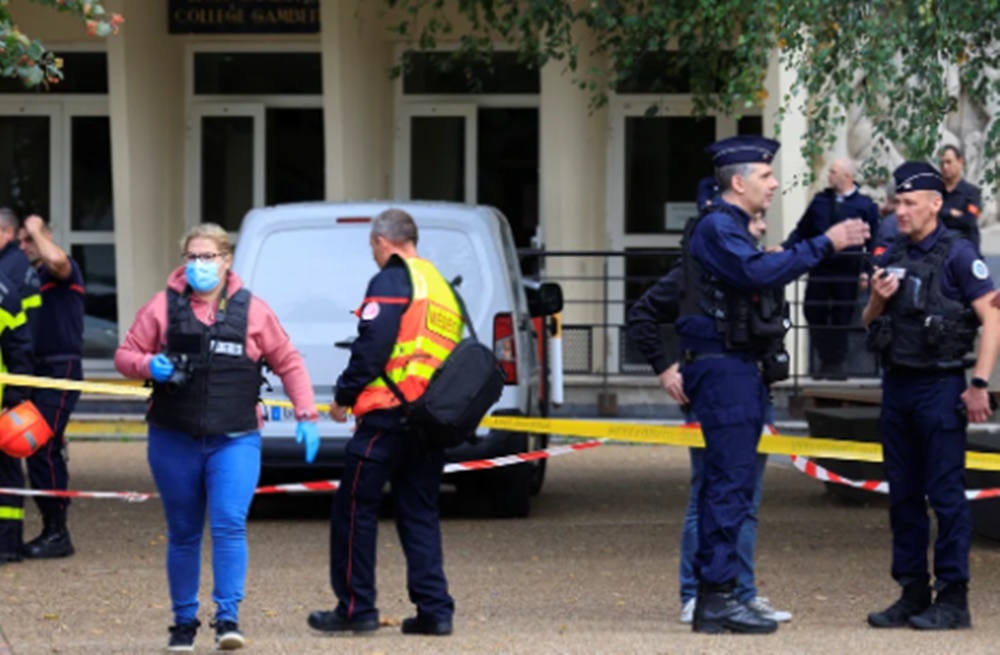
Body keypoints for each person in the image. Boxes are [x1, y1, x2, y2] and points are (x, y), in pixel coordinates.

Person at [677, 135, 869, 634]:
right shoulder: (719, 227)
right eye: (765, 176)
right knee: (728, 485)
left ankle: (718, 597)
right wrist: (825, 243)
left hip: (736, 368)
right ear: (737, 182)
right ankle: (717, 599)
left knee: (733, 485)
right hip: (723, 369)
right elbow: (753, 271)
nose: (776, 183)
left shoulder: (729, 227)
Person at [114, 223, 320, 652]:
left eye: (208, 257)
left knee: (228, 525)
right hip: (174, 438)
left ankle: (228, 617)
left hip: (235, 438)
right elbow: (124, 355)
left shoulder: (253, 311)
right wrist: (149, 365)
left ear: (226, 261)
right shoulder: (161, 308)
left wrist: (306, 413)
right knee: (184, 532)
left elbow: (288, 361)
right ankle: (183, 622)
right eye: (192, 257)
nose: (199, 265)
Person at [626, 211, 792, 626]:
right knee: (709, 493)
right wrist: (666, 369)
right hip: (714, 394)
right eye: (752, 221)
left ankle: (740, 592)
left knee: (744, 499)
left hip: (753, 391)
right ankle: (696, 592)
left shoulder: (751, 271)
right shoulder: (694, 275)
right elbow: (642, 314)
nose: (758, 227)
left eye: (759, 221)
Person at [308, 208, 461, 638]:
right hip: (429, 421)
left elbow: (372, 346)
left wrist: (343, 396)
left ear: (381, 242)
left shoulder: (392, 278)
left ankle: (356, 608)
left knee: (354, 507)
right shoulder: (441, 287)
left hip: (387, 416)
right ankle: (435, 611)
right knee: (420, 513)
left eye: (372, 249)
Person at [863, 162, 999, 631]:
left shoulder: (959, 255)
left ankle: (953, 598)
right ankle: (912, 592)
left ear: (934, 204)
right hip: (897, 385)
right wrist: (877, 301)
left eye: (908, 203)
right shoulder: (891, 251)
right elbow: (868, 320)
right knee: (903, 497)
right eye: (896, 203)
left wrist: (978, 383)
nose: (899, 211)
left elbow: (993, 317)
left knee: (946, 497)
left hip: (940, 388)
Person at [15, 215, 85, 559]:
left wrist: (34, 226)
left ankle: (57, 532)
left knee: (41, 445)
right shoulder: (26, 277)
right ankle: (49, 529)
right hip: (31, 371)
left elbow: (56, 259)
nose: (25, 246)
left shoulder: (62, 269)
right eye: (21, 241)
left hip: (59, 368)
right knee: (36, 447)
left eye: (31, 240)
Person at [783, 159, 880, 379]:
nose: (829, 176)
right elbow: (802, 231)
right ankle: (824, 358)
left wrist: (867, 270)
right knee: (812, 311)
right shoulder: (820, 201)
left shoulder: (864, 205)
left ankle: (834, 365)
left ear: (847, 176)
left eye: (833, 172)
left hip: (848, 271)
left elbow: (873, 242)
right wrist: (783, 248)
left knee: (841, 317)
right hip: (820, 267)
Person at [0, 270, 35, 567]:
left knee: (6, 476)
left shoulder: (5, 294)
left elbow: (20, 352)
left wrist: (14, 398)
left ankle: (7, 544)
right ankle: (7, 544)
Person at [938, 145, 983, 251]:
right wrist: (950, 212)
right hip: (939, 254)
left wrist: (941, 212)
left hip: (965, 251)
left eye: (949, 162)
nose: (945, 167)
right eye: (941, 163)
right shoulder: (936, 192)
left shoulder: (972, 193)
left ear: (960, 162)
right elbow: (929, 217)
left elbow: (969, 220)